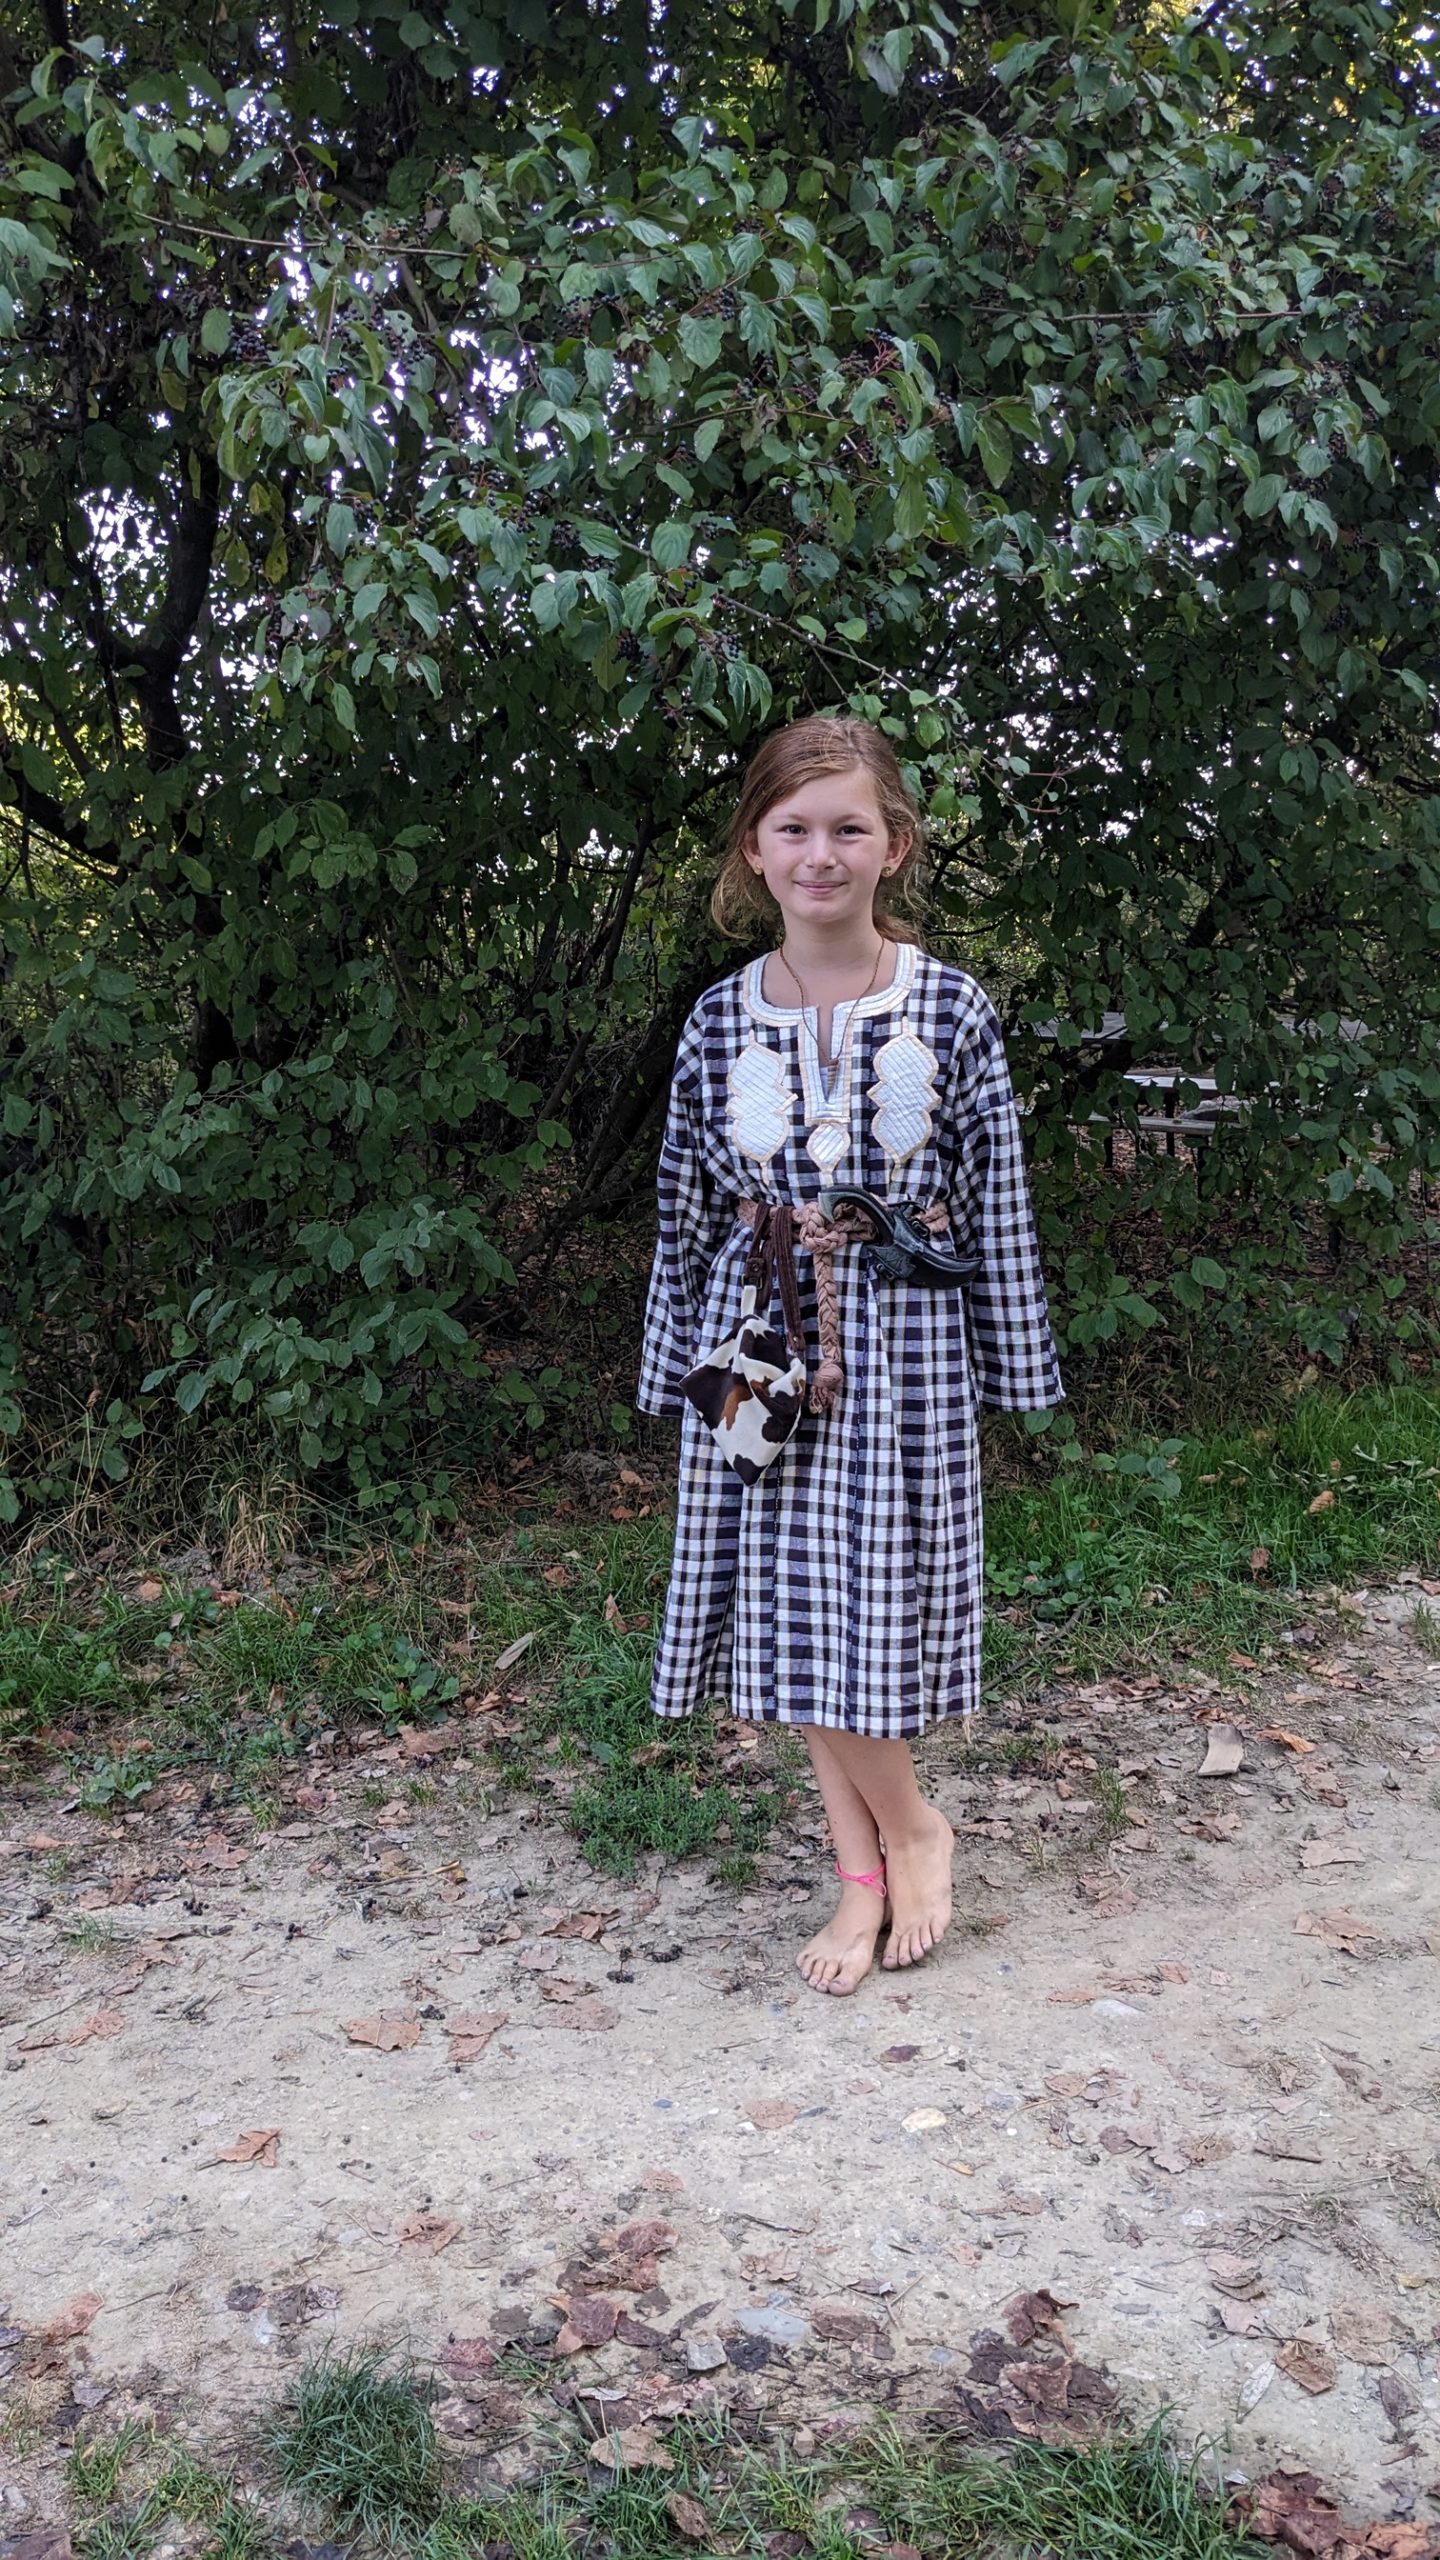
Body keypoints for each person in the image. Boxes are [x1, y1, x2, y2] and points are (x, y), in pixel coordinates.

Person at [635, 715, 1064, 1995]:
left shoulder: (951, 1006)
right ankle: (868, 1868)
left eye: (848, 828)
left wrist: (1013, 1363)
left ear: (895, 846)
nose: (820, 853)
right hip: (756, 1331)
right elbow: (683, 1199)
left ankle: (908, 1835)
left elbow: (993, 1196)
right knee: (783, 1605)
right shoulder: (717, 1019)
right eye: (794, 829)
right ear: (754, 851)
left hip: (901, 1344)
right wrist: (675, 1364)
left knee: (860, 1604)